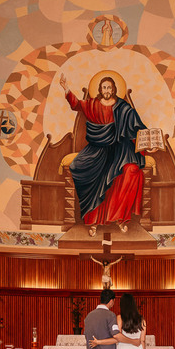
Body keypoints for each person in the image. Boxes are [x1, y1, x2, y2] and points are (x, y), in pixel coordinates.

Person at [60, 72, 147, 236]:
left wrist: (149, 146)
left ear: (114, 89)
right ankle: (93, 222)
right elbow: (76, 104)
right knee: (85, 170)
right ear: (100, 89)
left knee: (131, 171)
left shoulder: (123, 107)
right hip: (97, 149)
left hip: (119, 149)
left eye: (109, 87)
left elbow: (138, 129)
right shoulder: (93, 105)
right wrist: (66, 89)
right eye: (104, 87)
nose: (107, 90)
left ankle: (120, 218)